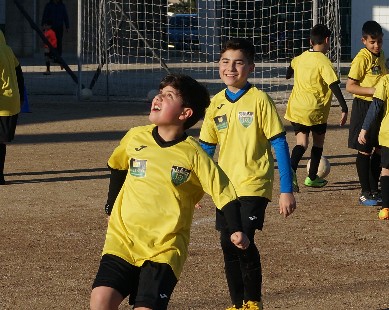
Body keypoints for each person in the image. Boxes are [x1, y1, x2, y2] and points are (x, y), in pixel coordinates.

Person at [90, 73, 250, 310]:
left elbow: (223, 189)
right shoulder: (135, 137)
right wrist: (110, 206)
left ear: (185, 113)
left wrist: (236, 228)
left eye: (169, 95)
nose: (158, 97)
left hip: (164, 249)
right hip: (122, 240)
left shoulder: (193, 154)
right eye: (160, 92)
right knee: (100, 301)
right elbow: (117, 165)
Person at [198, 38, 296, 310]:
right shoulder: (215, 103)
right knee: (227, 243)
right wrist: (197, 188)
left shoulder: (259, 100)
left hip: (254, 183)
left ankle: (253, 301)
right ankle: (236, 303)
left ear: (250, 68)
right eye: (225, 62)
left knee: (241, 239)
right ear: (219, 65)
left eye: (238, 62)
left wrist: (286, 190)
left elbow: (278, 142)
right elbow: (205, 148)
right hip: (224, 188)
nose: (231, 68)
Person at [284, 24, 348, 192]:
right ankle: (312, 177)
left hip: (297, 109)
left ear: (310, 41)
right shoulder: (323, 61)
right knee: (318, 143)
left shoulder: (301, 57)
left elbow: (290, 67)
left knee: (302, 143)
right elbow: (333, 84)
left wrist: (289, 75)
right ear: (327, 40)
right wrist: (344, 107)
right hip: (315, 111)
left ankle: (290, 175)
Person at [346, 20, 387, 206]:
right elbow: (350, 86)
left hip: (378, 108)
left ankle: (374, 188)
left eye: (379, 41)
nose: (376, 45)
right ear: (364, 41)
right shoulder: (362, 58)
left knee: (378, 148)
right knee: (364, 150)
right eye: (372, 42)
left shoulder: (381, 56)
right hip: (364, 108)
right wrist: (374, 90)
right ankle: (364, 191)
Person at [358, 75, 389, 215]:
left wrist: (364, 130)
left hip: (388, 133)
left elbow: (375, 107)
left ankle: (385, 208)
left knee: (386, 169)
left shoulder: (386, 80)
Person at [0, 30, 24, 185]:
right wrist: (21, 98)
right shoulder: (7, 50)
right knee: (0, 143)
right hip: (11, 103)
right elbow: (19, 73)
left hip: (2, 102)